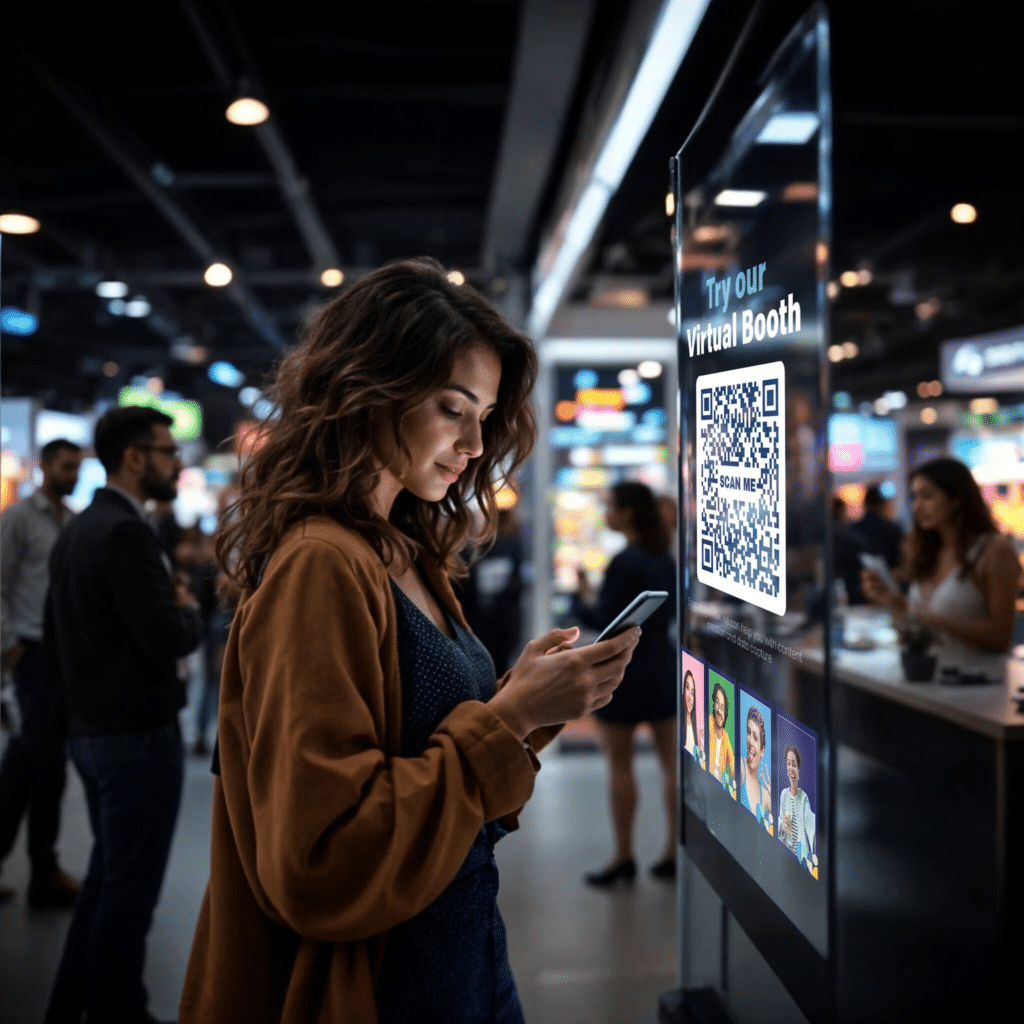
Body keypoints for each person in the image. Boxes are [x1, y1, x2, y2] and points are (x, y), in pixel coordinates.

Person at [178, 258, 640, 1024]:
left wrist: (516, 701)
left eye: (484, 417)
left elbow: (419, 751)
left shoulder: (400, 548)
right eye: (453, 409)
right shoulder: (323, 565)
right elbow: (319, 861)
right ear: (371, 389)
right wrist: (507, 720)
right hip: (381, 987)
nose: (472, 444)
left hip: (461, 953)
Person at [43, 407, 203, 1024]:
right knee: (128, 894)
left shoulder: (81, 528)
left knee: (107, 883)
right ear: (134, 458)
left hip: (93, 731)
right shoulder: (126, 533)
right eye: (166, 451)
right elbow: (163, 636)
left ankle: (69, 1007)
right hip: (135, 735)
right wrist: (186, 610)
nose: (177, 462)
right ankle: (119, 1012)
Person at [573, 481, 678, 885]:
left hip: (624, 675)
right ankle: (672, 851)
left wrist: (581, 595)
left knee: (620, 765)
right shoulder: (663, 559)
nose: (607, 513)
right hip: (663, 670)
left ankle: (623, 856)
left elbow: (604, 620)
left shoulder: (624, 562)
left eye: (611, 506)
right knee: (672, 767)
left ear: (628, 512)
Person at [0, 439, 83, 907]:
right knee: (30, 763)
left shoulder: (70, 523)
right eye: (66, 467)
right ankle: (42, 870)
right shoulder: (18, 519)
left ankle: (43, 871)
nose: (72, 475)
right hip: (29, 653)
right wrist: (8, 646)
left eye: (76, 468)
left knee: (43, 766)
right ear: (46, 467)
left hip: (59, 657)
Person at [861, 457, 1021, 670]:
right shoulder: (926, 553)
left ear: (956, 498)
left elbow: (1000, 637)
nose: (917, 507)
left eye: (927, 496)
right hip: (928, 683)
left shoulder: (994, 550)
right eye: (914, 498)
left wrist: (926, 618)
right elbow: (912, 638)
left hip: (978, 688)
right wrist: (893, 603)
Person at [854, 483, 904, 570]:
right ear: (882, 504)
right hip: (887, 580)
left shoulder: (853, 529)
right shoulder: (893, 529)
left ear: (866, 504)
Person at [779, 745, 815, 864]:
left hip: (800, 862)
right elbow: (779, 826)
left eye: (794, 765)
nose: (790, 768)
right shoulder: (783, 795)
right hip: (784, 856)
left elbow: (810, 821)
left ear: (799, 770)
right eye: (788, 764)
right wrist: (782, 826)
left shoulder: (803, 798)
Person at [738, 706, 771, 829]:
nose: (750, 741)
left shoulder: (766, 796)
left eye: (755, 738)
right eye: (748, 732)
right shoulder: (740, 765)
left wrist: (778, 804)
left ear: (762, 750)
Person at [708, 681, 735, 788]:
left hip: (718, 790)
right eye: (717, 703)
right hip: (706, 783)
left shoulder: (726, 737)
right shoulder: (708, 721)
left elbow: (732, 762)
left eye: (723, 707)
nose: (719, 711)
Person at [682, 668, 704, 764]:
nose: (690, 697)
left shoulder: (699, 729)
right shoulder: (680, 725)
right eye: (687, 688)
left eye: (693, 692)